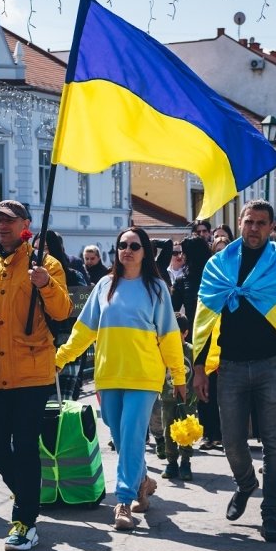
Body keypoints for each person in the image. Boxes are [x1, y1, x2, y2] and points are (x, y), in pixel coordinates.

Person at [193, 200, 276, 543]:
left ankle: (271, 515)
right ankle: (246, 483)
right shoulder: (218, 265)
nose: (254, 228)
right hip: (231, 367)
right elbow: (204, 319)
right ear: (239, 222)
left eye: (262, 223)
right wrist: (200, 368)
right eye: (249, 221)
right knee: (232, 442)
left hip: (274, 367)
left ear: (272, 227)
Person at [56, 227, 185, 530]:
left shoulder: (156, 288)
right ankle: (142, 481)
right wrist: (60, 358)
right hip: (109, 374)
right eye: (122, 245)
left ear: (145, 252)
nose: (127, 250)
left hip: (144, 375)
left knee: (129, 435)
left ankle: (123, 502)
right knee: (119, 432)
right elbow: (85, 329)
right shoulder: (103, 286)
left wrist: (178, 376)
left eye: (134, 246)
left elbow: (169, 335)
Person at [0, 200, 72, 551]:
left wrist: (45, 284)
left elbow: (62, 310)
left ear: (26, 225)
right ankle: (31, 494)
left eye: (9, 222)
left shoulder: (46, 263)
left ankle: (25, 520)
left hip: (32, 373)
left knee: (26, 447)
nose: (1, 227)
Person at [173, 236, 220, 450]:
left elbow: (173, 309)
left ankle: (211, 433)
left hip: (202, 337)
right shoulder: (210, 275)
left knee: (203, 387)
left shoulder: (189, 279)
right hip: (211, 336)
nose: (181, 256)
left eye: (184, 252)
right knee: (209, 386)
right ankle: (214, 433)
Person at [159, 313, 197, 481]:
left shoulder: (191, 351)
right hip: (167, 399)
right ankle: (171, 462)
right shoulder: (162, 350)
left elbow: (198, 372)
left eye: (178, 333)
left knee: (187, 430)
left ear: (186, 333)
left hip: (188, 400)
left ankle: (186, 462)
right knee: (168, 431)